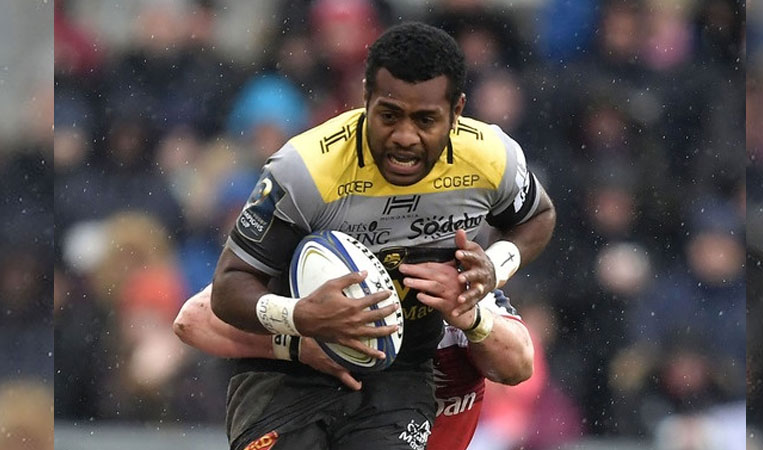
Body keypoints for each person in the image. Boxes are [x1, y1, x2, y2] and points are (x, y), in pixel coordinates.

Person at [209, 22, 556, 450]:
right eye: (389, 115)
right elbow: (229, 287)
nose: (405, 137)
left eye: (426, 120)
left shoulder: (492, 158)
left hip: (401, 374)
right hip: (290, 377)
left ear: (457, 110)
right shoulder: (305, 169)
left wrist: (495, 266)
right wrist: (301, 316)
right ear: (366, 98)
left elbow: (537, 216)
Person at [175, 272, 533, 450]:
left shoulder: (451, 284)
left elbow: (519, 365)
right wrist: (299, 345)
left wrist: (472, 319)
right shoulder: (322, 269)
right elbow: (193, 319)